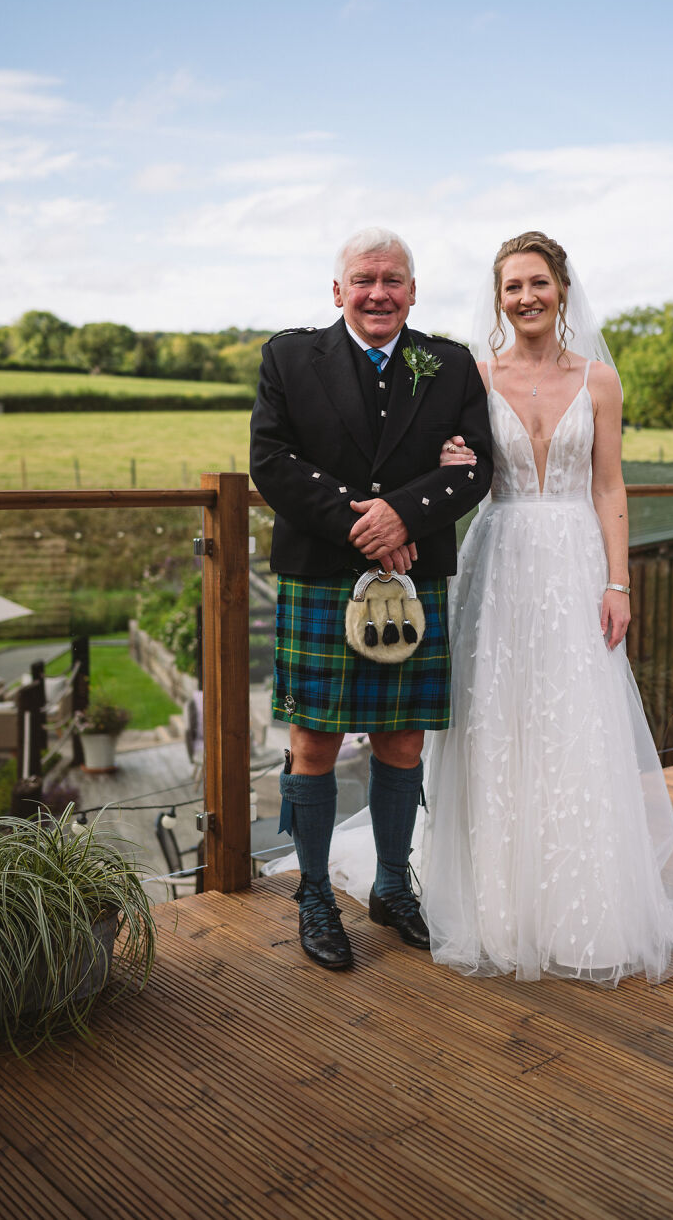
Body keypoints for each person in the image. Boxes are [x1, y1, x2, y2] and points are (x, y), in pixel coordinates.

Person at [281, 229, 673, 985]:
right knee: (484, 721)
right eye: (512, 286)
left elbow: (606, 486)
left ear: (562, 289)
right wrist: (401, 508)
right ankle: (390, 893)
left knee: (570, 724)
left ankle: (554, 894)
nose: (526, 297)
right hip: (495, 562)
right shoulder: (467, 371)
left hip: (574, 564)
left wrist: (619, 582)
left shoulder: (585, 377)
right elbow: (408, 452)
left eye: (538, 283)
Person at [250, 227, 493, 970]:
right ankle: (316, 894)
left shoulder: (449, 364)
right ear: (338, 291)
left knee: (403, 738)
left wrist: (406, 515)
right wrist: (369, 525)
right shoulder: (289, 357)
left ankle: (392, 888)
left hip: (411, 577)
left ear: (413, 291)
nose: (378, 292)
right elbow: (271, 461)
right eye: (364, 280)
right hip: (324, 572)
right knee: (314, 741)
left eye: (393, 280)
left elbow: (477, 464)